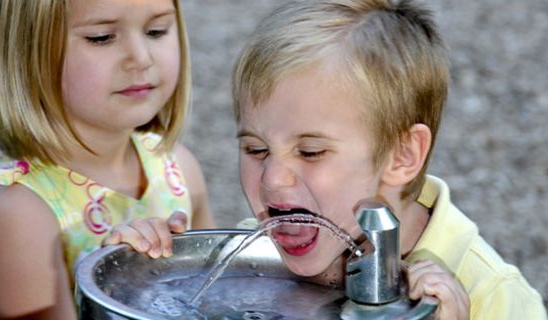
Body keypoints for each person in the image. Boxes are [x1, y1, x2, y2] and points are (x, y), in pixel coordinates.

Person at [231, 0, 547, 319]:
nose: (272, 178)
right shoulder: (248, 263)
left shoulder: (492, 294)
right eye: (256, 150)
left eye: (310, 152)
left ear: (402, 156)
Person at [0, 0, 215, 318]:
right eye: (102, 37)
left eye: (156, 31)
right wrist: (115, 282)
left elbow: (216, 299)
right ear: (27, 50)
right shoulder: (15, 213)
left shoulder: (177, 168)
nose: (141, 58)